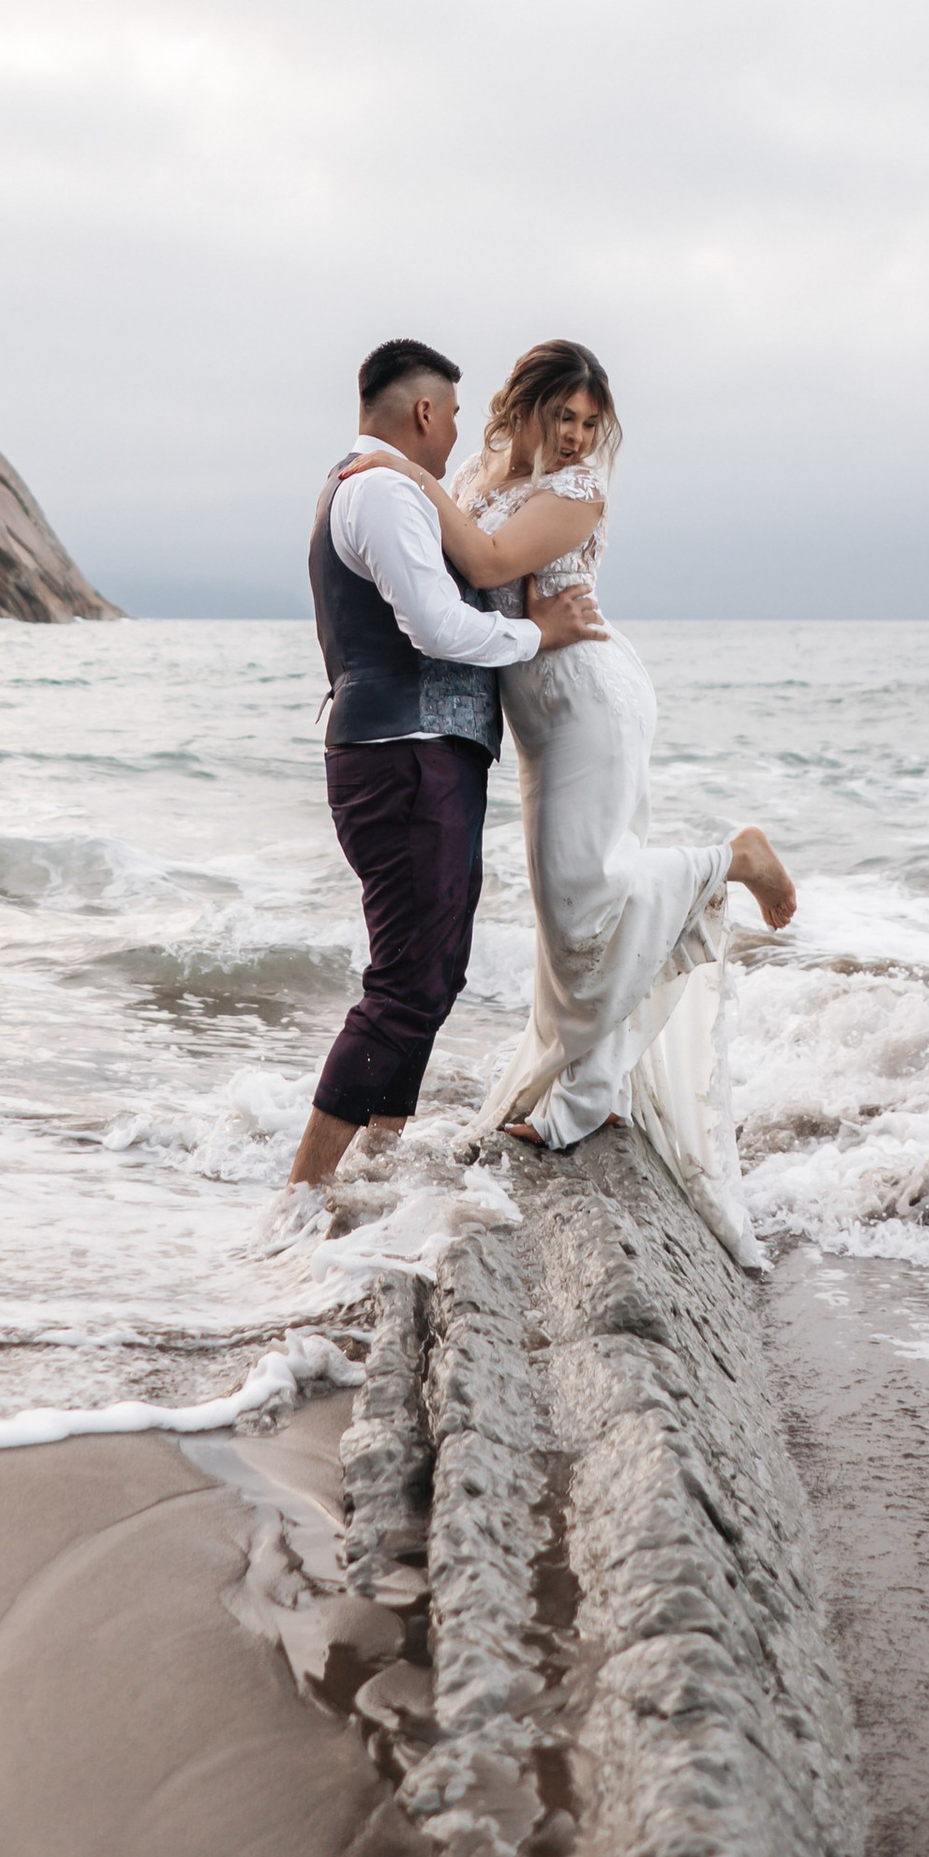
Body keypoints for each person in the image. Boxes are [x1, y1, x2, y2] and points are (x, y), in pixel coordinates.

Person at [336, 336, 795, 1262]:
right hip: (536, 710)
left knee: (587, 895)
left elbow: (489, 562)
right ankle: (589, 1090)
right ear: (526, 407)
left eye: (592, 423)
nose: (580, 437)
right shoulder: (479, 472)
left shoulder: (576, 492)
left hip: (589, 696)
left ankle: (732, 859)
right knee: (563, 910)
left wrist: (404, 474)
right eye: (565, 417)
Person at [290, 337, 612, 1192]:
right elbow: (436, 627)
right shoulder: (384, 492)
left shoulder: (366, 485)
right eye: (455, 414)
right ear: (426, 412)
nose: (462, 431)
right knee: (408, 981)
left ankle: (376, 1161)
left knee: (433, 972)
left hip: (415, 754)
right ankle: (305, 1190)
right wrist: (537, 634)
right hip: (406, 757)